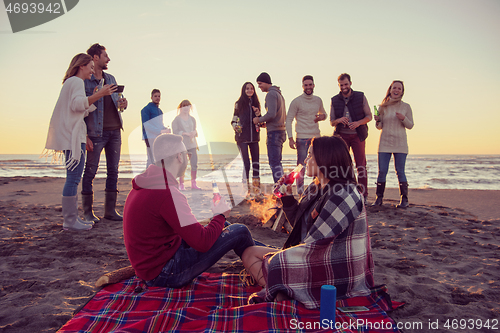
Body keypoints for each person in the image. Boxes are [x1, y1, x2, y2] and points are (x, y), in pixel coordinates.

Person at [241, 136, 374, 309]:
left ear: (324, 158)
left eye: (310, 155)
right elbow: (299, 224)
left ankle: (283, 289)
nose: (305, 160)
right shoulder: (315, 188)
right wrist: (287, 197)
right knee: (250, 253)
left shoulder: (344, 193)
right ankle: (282, 289)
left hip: (335, 265)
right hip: (314, 252)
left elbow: (315, 244)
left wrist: (283, 259)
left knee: (276, 263)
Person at [123, 133, 255, 287]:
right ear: (180, 156)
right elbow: (203, 243)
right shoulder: (167, 193)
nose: (188, 158)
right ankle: (266, 263)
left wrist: (218, 220)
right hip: (164, 273)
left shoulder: (147, 182)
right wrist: (220, 215)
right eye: (188, 154)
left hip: (153, 264)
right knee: (240, 231)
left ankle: (267, 255)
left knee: (225, 227)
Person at [44, 53, 116, 231]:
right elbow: (77, 105)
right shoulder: (76, 82)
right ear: (81, 66)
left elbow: (80, 110)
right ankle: (70, 221)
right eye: (90, 67)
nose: (92, 71)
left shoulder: (70, 82)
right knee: (74, 178)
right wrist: (99, 95)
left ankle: (73, 219)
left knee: (73, 177)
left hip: (72, 135)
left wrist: (92, 97)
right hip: (73, 137)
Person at [81, 43, 128, 223]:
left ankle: (110, 211)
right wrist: (84, 135)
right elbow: (82, 107)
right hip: (95, 133)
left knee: (113, 171)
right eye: (105, 56)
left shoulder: (111, 78)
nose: (108, 59)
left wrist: (123, 104)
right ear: (95, 57)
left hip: (115, 131)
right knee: (91, 170)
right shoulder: (86, 81)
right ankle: (87, 212)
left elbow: (118, 104)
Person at [330, 73, 372, 203]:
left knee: (361, 165)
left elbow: (369, 116)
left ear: (350, 83)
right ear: (339, 85)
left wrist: (358, 123)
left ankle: (363, 195)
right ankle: (344, 193)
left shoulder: (360, 96)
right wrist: (339, 120)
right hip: (341, 136)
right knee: (342, 166)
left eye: (346, 84)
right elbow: (331, 122)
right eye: (341, 85)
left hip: (358, 135)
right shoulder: (334, 99)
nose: (344, 87)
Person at [372, 80, 414, 208]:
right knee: (382, 171)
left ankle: (404, 200)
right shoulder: (383, 106)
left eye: (399, 89)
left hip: (400, 144)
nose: (396, 90)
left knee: (400, 171)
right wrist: (377, 121)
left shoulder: (406, 107)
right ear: (390, 90)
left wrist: (403, 118)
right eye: (394, 88)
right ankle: (379, 199)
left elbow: (410, 125)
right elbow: (379, 127)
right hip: (384, 143)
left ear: (402, 92)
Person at [286, 75, 327, 195]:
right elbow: (288, 120)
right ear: (302, 86)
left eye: (310, 85)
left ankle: (320, 190)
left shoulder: (318, 100)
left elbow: (324, 114)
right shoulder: (297, 101)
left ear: (314, 85)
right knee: (301, 166)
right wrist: (290, 138)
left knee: (320, 164)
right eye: (306, 85)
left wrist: (322, 117)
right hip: (301, 138)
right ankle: (300, 193)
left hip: (316, 137)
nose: (308, 87)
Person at [231, 82, 264, 199]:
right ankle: (245, 191)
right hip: (242, 138)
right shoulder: (238, 104)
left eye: (251, 88)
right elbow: (234, 120)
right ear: (243, 90)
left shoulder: (256, 103)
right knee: (246, 164)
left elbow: (261, 122)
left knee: (256, 164)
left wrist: (258, 114)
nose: (249, 90)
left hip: (254, 138)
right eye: (247, 88)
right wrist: (236, 127)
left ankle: (256, 190)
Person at [253, 72, 287, 183]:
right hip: (281, 131)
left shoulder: (271, 94)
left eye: (260, 83)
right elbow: (278, 116)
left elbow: (271, 114)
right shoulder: (279, 94)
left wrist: (259, 120)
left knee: (274, 163)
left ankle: (281, 191)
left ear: (266, 82)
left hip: (274, 134)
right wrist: (266, 124)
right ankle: (282, 188)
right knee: (277, 162)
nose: (259, 87)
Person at [172, 100, 200, 190]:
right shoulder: (177, 119)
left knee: (194, 163)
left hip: (192, 144)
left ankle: (193, 184)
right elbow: (175, 132)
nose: (186, 108)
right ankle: (181, 184)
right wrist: (185, 133)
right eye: (184, 106)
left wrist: (194, 132)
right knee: (182, 164)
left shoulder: (192, 119)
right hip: (182, 145)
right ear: (180, 107)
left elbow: (195, 130)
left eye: (188, 106)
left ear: (190, 107)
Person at [141, 89, 170, 168]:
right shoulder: (146, 109)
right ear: (151, 97)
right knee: (151, 158)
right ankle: (148, 177)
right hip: (149, 137)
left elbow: (160, 125)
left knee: (159, 158)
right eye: (155, 96)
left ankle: (156, 177)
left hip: (158, 137)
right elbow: (146, 125)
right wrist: (160, 130)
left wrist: (166, 129)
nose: (157, 98)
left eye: (159, 96)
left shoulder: (160, 111)